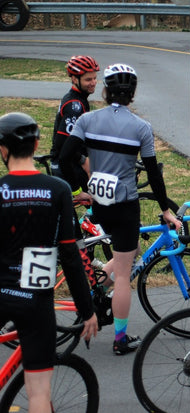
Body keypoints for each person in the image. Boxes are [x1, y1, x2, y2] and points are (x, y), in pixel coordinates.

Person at [58, 63, 181, 355]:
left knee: (131, 249)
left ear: (105, 89)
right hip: (125, 204)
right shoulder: (142, 128)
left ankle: (100, 283)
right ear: (133, 93)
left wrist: (82, 187)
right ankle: (120, 339)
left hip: (99, 201)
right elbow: (153, 174)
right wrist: (165, 209)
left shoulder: (87, 119)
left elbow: (65, 157)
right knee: (125, 273)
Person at [0, 112, 98, 412]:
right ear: (37, 143)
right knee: (39, 394)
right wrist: (87, 309)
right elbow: (70, 254)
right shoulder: (59, 190)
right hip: (35, 298)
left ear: (3, 149)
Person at [50, 55, 100, 183]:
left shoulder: (78, 98)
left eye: (95, 78)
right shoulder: (75, 106)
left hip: (71, 160)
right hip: (67, 165)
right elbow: (61, 143)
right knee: (101, 197)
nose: (93, 83)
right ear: (74, 79)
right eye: (88, 79)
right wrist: (83, 160)